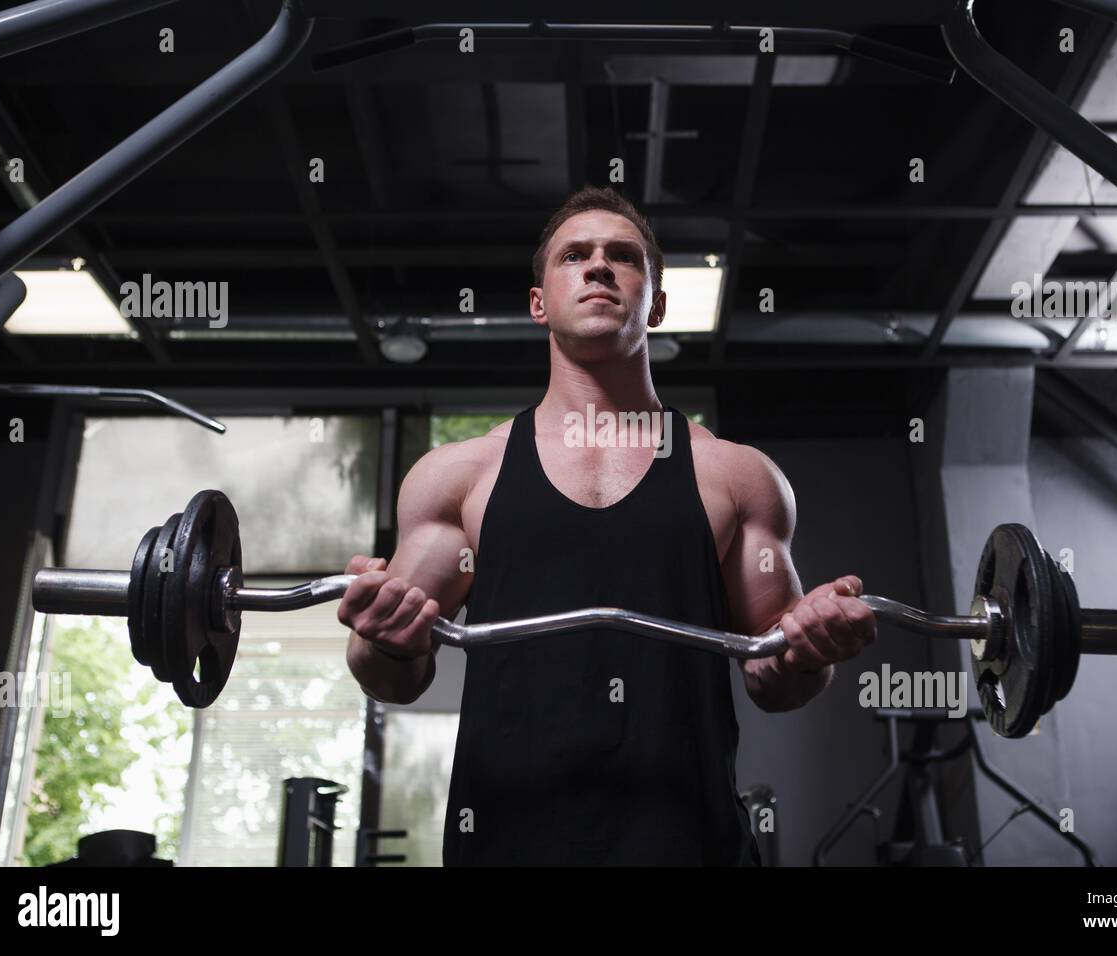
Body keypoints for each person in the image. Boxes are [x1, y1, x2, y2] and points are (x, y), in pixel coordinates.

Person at [341, 186, 876, 865]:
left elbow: (775, 682)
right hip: (507, 843)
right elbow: (390, 677)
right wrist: (383, 635)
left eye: (622, 257)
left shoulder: (737, 477)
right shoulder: (459, 477)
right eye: (574, 255)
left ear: (655, 303)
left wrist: (809, 644)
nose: (598, 267)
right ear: (540, 302)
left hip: (689, 843)